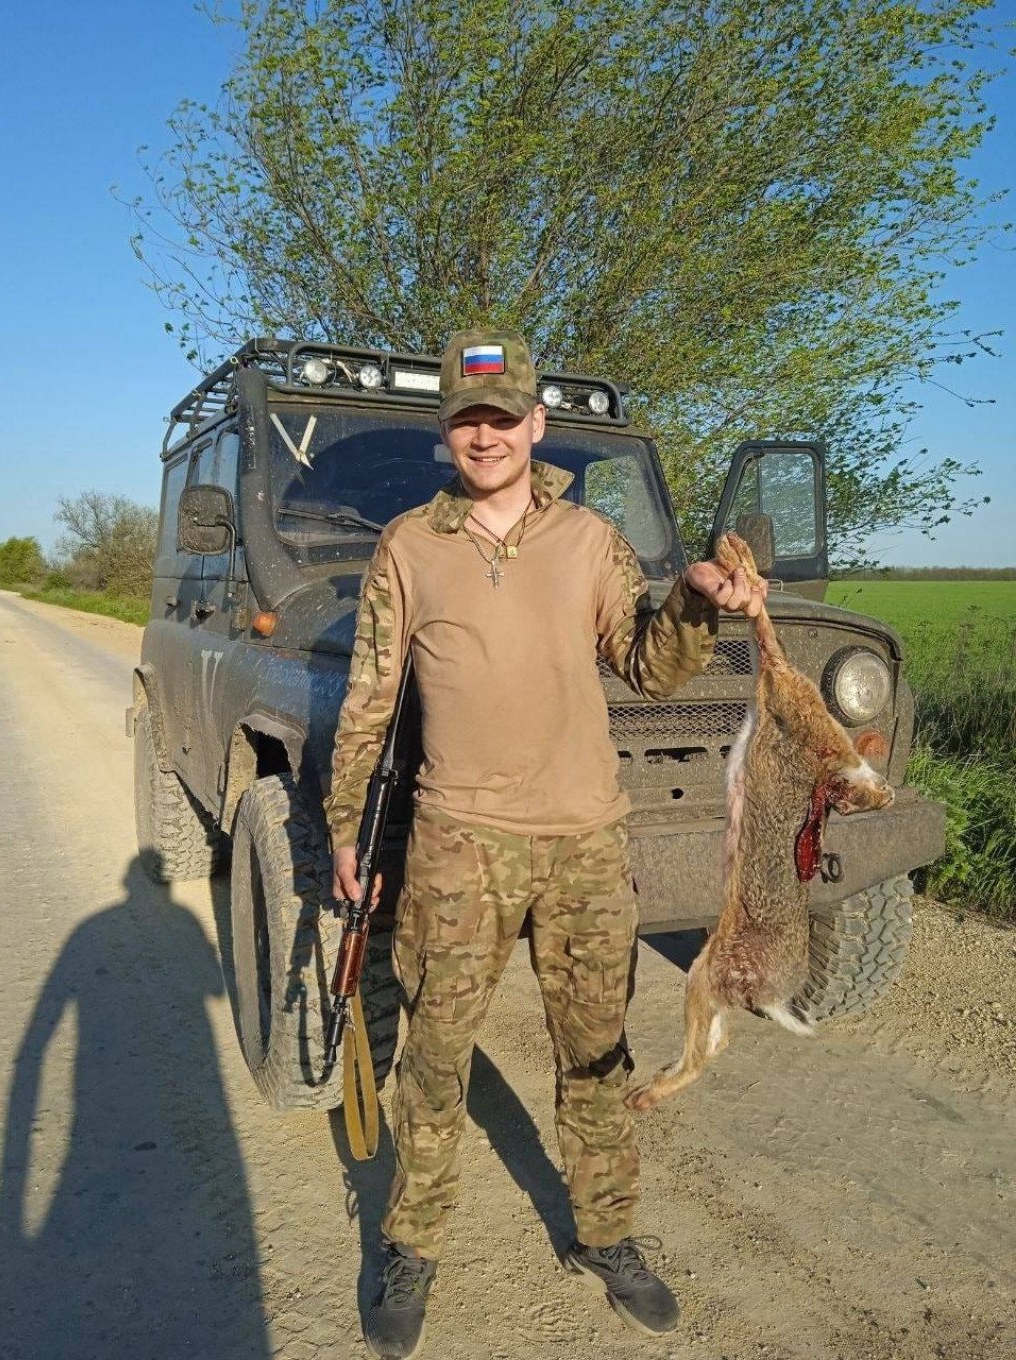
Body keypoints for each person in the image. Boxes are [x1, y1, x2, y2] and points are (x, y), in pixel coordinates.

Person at [324, 329, 767, 1360]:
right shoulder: (406, 546)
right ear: (448, 430)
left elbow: (650, 668)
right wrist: (347, 826)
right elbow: (369, 702)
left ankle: (607, 1234)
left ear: (535, 424)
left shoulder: (594, 543)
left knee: (594, 1054)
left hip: (581, 843)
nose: (486, 435)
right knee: (433, 1054)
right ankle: (413, 1244)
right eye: (467, 418)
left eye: (503, 416)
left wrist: (698, 601)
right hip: (456, 842)